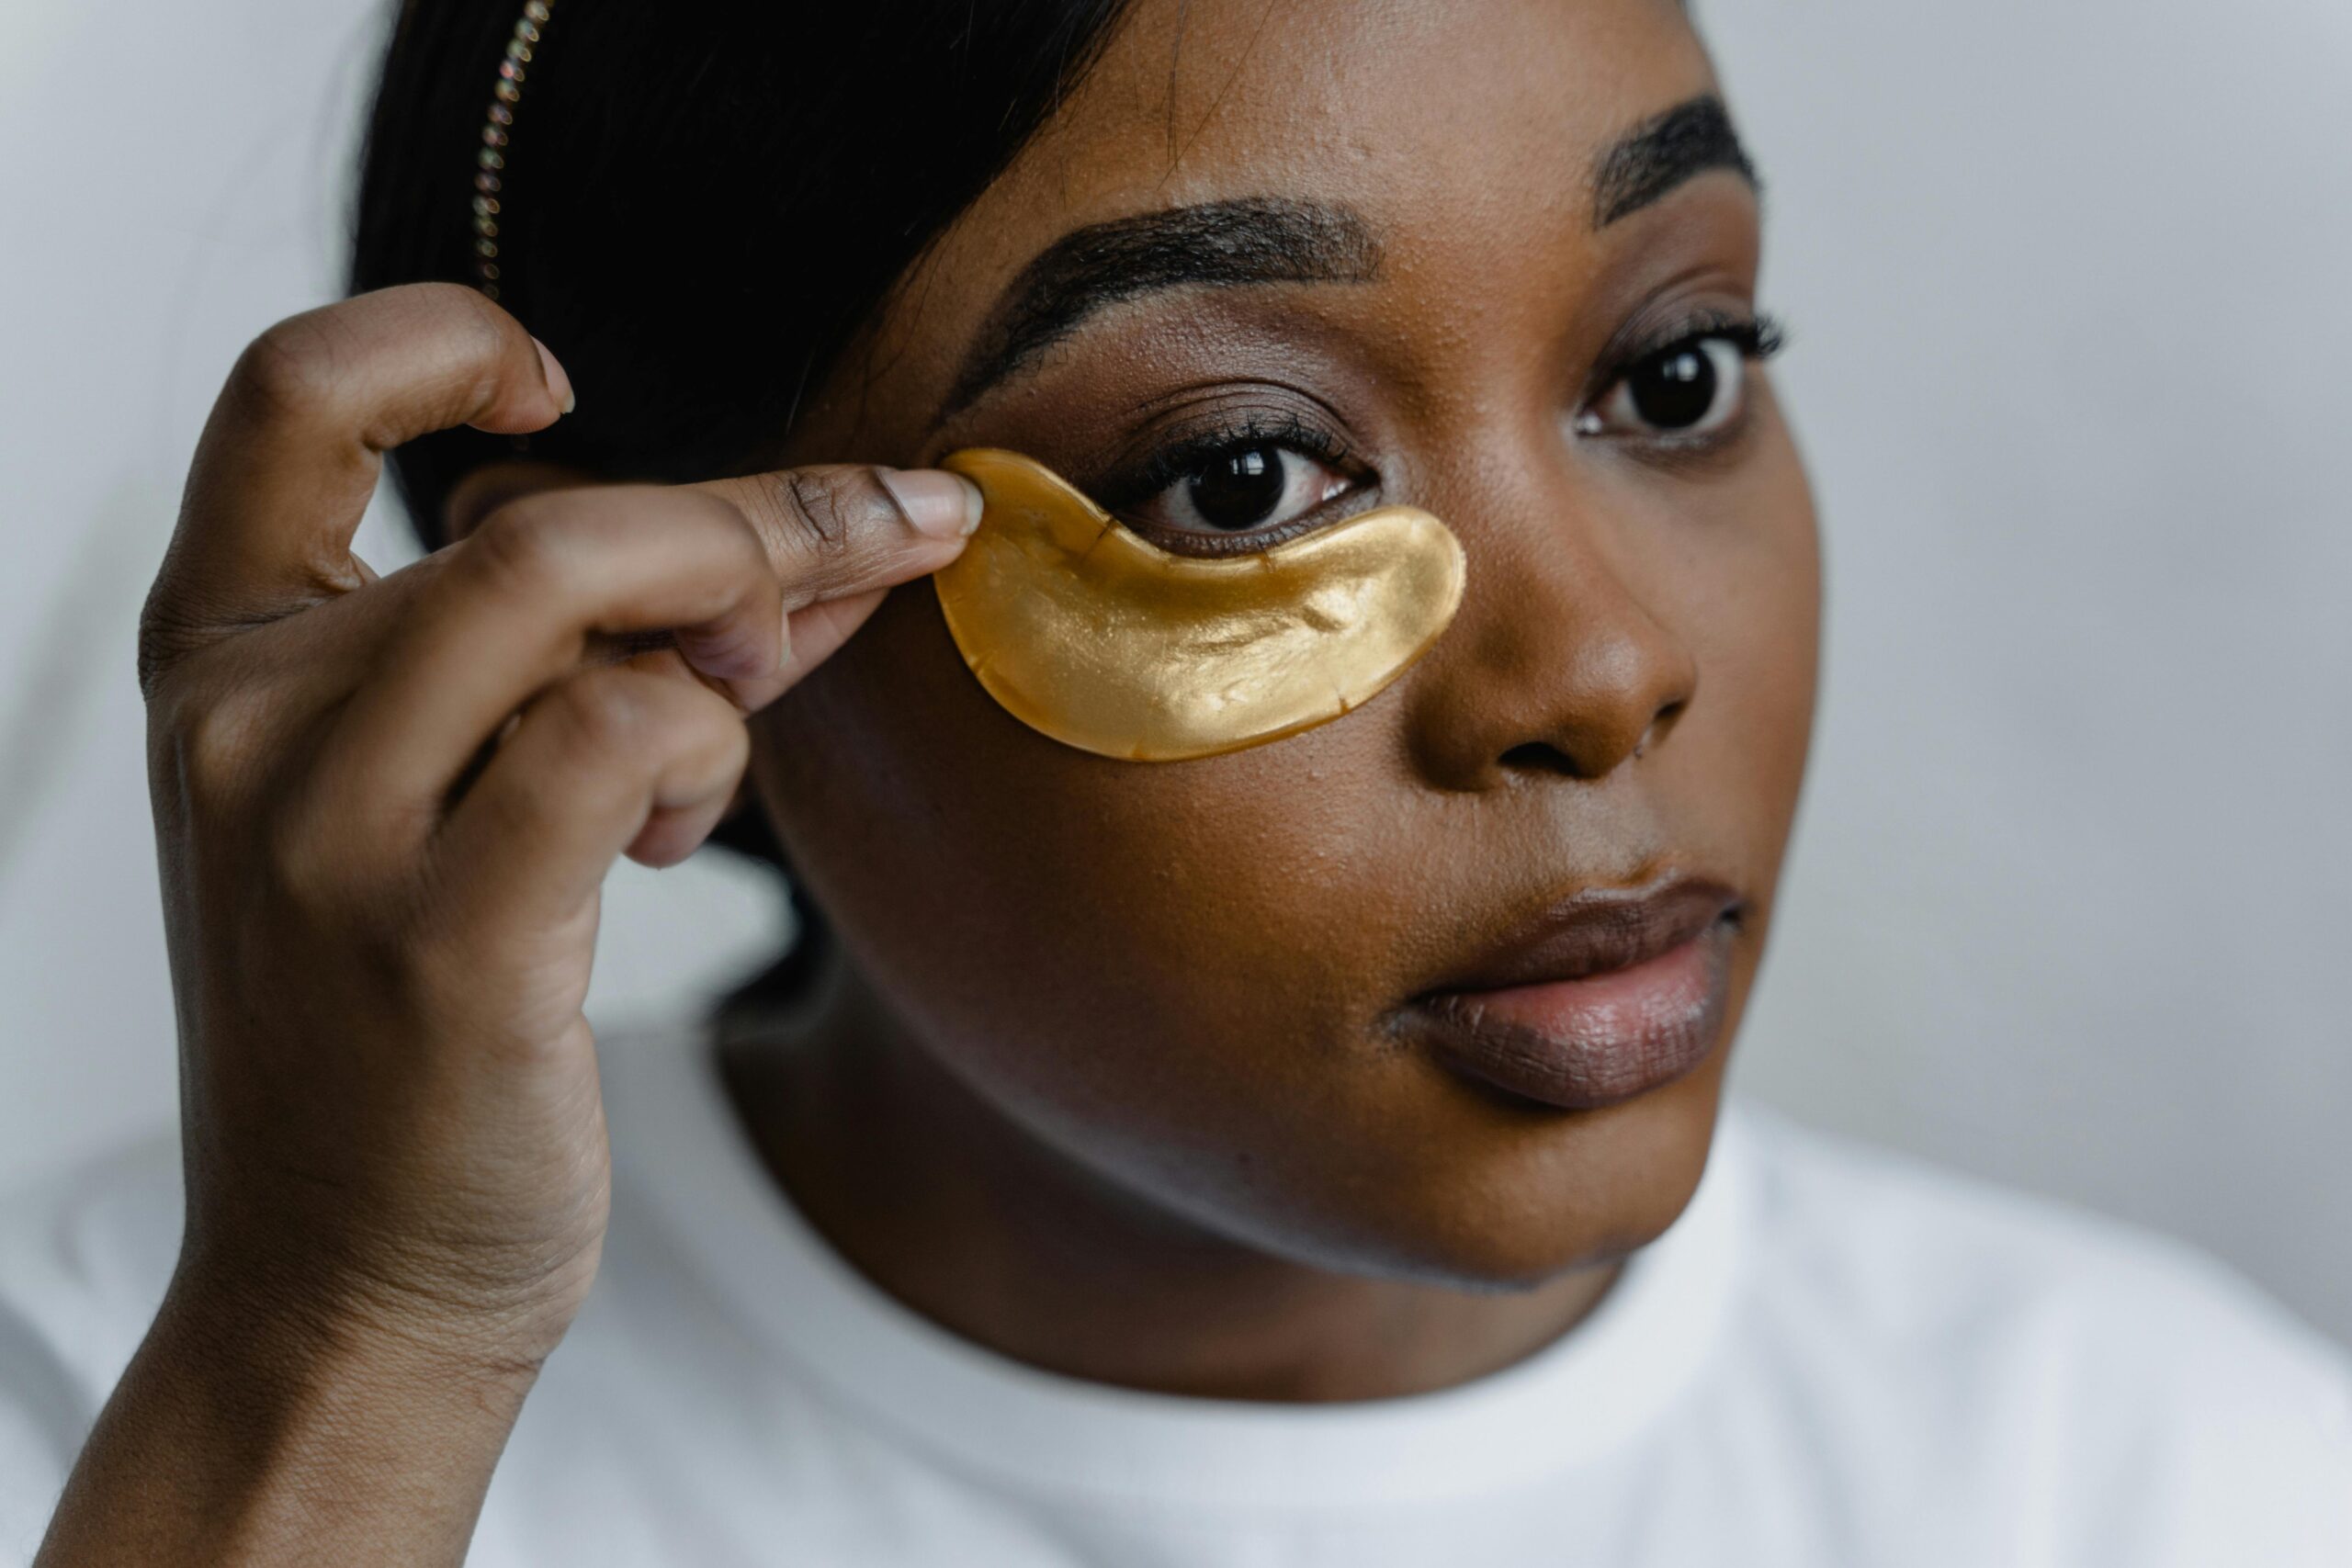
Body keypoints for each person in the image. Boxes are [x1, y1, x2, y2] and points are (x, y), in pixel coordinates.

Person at [5, 0, 2347, 1562]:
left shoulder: (2159, 1483)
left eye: (1672, 372)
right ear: (641, 631)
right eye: (1238, 475)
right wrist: (355, 1353)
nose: (1603, 669)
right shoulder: (115, 1409)